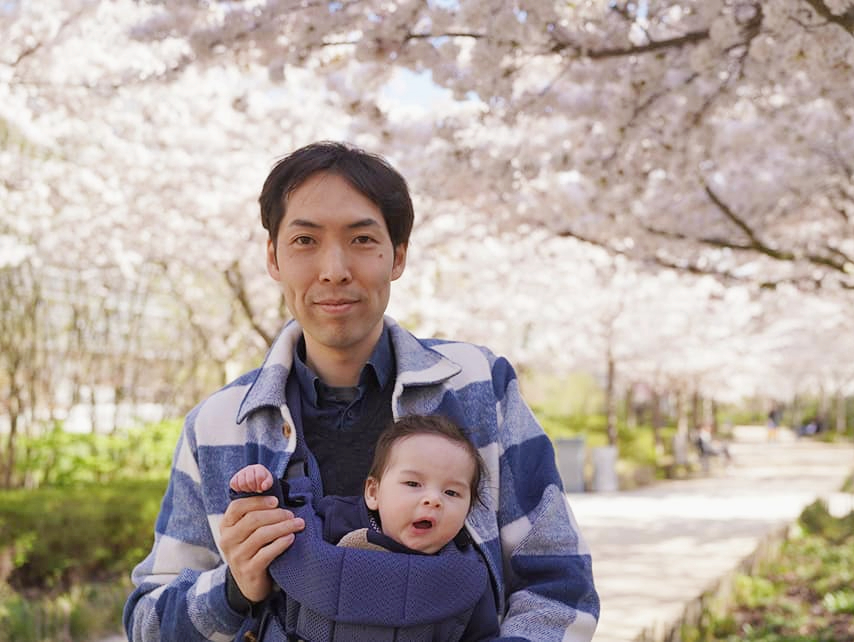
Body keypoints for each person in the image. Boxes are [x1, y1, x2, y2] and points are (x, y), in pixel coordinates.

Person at [123, 141, 599, 641]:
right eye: (305, 240)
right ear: (273, 257)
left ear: (397, 256)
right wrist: (233, 589)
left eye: (361, 240)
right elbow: (146, 622)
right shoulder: (218, 424)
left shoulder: (479, 385)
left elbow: (560, 588)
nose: (334, 270)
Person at [228, 414, 499, 640]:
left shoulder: (466, 576)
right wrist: (259, 490)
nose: (433, 500)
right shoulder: (337, 519)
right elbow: (284, 520)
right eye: (413, 484)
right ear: (373, 492)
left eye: (452, 493)